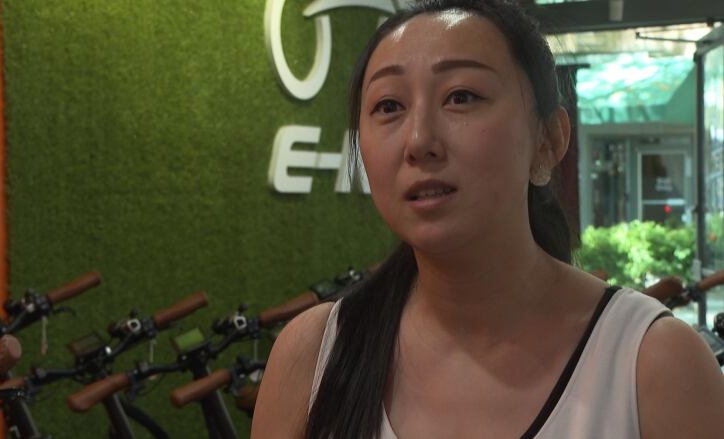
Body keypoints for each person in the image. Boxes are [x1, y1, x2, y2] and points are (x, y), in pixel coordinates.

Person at [251, 1, 724, 437]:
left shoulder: (655, 364)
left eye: (461, 96)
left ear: (549, 142)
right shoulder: (314, 355)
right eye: (389, 106)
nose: (419, 140)